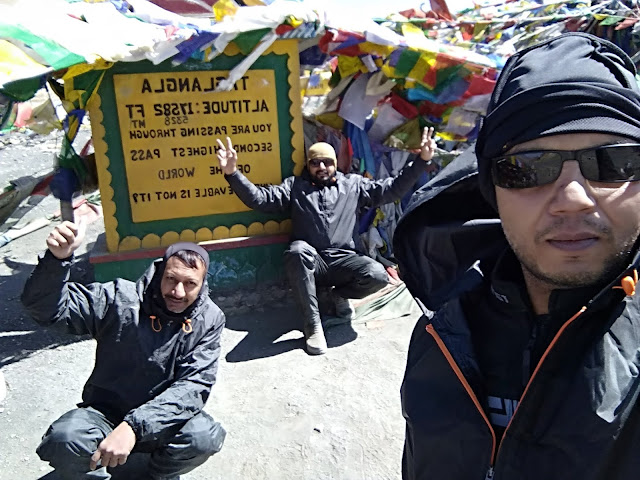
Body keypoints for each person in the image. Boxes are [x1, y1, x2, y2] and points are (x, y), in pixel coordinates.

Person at [394, 32, 640, 479]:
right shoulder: (446, 330)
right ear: (492, 192)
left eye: (614, 162)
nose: (572, 199)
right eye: (528, 168)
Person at [21, 219, 226, 480]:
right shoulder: (119, 299)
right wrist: (56, 260)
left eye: (189, 284)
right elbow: (47, 310)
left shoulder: (209, 319)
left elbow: (194, 386)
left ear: (202, 283)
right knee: (65, 439)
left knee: (203, 436)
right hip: (105, 412)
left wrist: (133, 427)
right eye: (171, 279)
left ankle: (155, 476)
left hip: (164, 419)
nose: (177, 291)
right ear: (159, 272)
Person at [216, 130, 436, 355]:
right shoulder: (295, 187)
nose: (321, 167)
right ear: (308, 165)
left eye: (327, 162)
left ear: (336, 163)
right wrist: (233, 173)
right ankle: (312, 325)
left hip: (345, 262)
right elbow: (260, 199)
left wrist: (422, 161)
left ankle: (338, 296)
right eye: (315, 162)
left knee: (377, 275)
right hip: (312, 262)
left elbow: (392, 189)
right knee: (298, 250)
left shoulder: (353, 185)